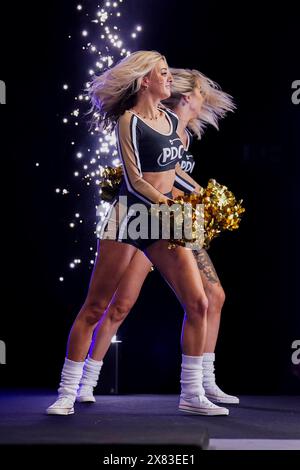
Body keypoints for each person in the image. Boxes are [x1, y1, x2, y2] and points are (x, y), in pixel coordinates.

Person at [46, 50, 229, 417]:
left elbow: (174, 171)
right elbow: (133, 180)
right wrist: (165, 202)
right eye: (161, 73)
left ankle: (192, 394)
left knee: (200, 302)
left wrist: (203, 196)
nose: (168, 79)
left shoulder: (169, 119)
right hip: (129, 218)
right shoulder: (128, 121)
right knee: (97, 306)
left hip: (164, 219)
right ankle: (68, 391)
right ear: (145, 80)